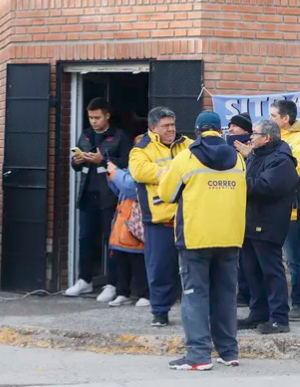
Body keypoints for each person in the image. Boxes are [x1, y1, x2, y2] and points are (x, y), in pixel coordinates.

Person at [158, 111, 247, 371]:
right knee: (226, 295)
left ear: (197, 131)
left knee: (195, 295)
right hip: (230, 237)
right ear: (221, 131)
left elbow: (166, 193)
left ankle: (198, 355)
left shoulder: (186, 157)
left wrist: (166, 172)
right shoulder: (238, 159)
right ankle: (229, 352)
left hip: (196, 238)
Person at [129, 107, 193, 327]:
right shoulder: (140, 149)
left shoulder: (187, 143)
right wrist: (175, 171)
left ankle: (191, 311)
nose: (171, 129)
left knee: (191, 268)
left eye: (173, 125)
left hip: (188, 218)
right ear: (153, 127)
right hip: (159, 220)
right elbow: (140, 171)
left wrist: (165, 170)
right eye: (166, 126)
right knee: (160, 268)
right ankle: (160, 311)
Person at [66, 98, 133, 301]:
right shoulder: (85, 135)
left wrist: (103, 160)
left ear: (107, 116)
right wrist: (76, 161)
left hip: (110, 196)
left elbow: (129, 162)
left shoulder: (120, 137)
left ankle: (112, 284)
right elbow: (76, 166)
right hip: (87, 194)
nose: (93, 122)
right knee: (85, 238)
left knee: (111, 241)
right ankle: (84, 280)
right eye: (90, 117)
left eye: (97, 117)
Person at [234, 119, 297, 335]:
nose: (251, 137)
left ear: (267, 138)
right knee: (251, 271)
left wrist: (235, 183)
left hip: (268, 224)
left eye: (255, 134)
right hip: (250, 222)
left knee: (271, 271)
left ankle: (280, 318)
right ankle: (258, 313)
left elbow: (264, 186)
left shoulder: (282, 161)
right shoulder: (256, 155)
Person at [270, 100, 300, 321]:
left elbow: (291, 171)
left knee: (293, 260)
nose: (271, 121)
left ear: (286, 119)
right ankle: (274, 302)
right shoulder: (275, 140)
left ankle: (299, 303)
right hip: (271, 209)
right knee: (272, 259)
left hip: (292, 210)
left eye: (274, 117)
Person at [105, 156, 149, 308]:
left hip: (135, 223)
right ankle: (122, 292)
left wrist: (115, 173)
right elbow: (117, 188)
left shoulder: (145, 171)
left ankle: (144, 293)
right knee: (121, 259)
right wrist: (111, 173)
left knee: (139, 261)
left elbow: (130, 188)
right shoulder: (127, 172)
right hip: (123, 221)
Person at [227, 111, 252, 307]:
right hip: (231, 207)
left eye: (235, 126)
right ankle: (241, 293)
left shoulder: (253, 149)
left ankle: (247, 294)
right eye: (230, 125)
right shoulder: (227, 147)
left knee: (247, 257)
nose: (231, 129)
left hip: (249, 208)